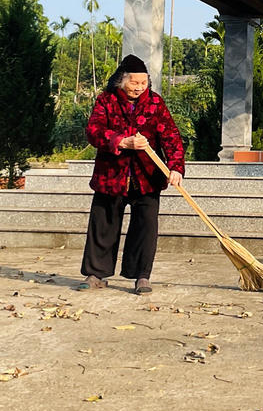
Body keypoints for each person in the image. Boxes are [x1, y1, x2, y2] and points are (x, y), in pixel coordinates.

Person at [78, 54, 185, 293]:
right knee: (103, 225)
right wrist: (120, 141)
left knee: (145, 228)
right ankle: (96, 274)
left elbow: (171, 136)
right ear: (121, 80)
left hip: (147, 177)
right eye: (134, 83)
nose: (139, 88)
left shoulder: (155, 103)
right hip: (111, 176)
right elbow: (93, 130)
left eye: (143, 83)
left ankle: (141, 276)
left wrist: (176, 166)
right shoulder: (105, 101)